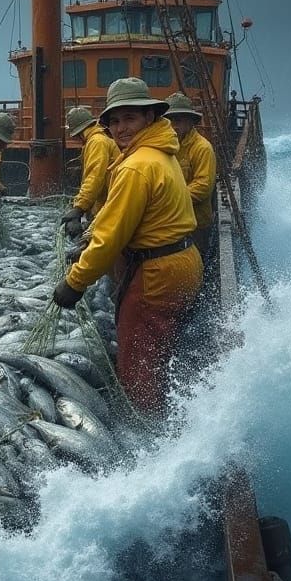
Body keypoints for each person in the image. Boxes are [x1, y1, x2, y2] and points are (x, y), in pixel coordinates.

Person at [51, 77, 202, 416]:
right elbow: (117, 215)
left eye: (130, 118)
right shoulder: (159, 154)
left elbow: (112, 238)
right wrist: (89, 234)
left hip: (158, 274)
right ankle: (169, 411)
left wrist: (74, 283)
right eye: (115, 121)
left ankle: (146, 431)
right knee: (160, 349)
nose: (120, 128)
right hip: (182, 262)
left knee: (137, 361)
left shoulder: (137, 165)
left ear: (149, 118)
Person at [164, 92, 217, 258]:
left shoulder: (202, 148)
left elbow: (203, 186)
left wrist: (168, 200)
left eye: (177, 120)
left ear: (190, 122)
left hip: (196, 223)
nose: (173, 125)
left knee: (197, 263)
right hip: (171, 222)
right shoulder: (165, 146)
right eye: (168, 120)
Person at [60, 106, 117, 240]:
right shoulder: (98, 140)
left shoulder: (97, 142)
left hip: (109, 206)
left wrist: (79, 208)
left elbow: (95, 177)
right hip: (105, 204)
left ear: (79, 132)